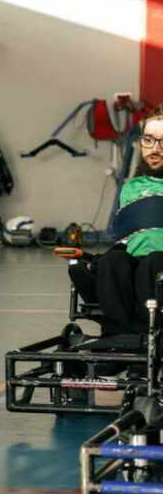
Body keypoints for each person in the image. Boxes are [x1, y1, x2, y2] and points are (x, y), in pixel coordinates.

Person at [71, 105, 163, 337]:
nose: (155, 148)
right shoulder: (131, 188)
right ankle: (116, 340)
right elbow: (130, 236)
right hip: (139, 259)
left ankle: (147, 338)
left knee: (153, 263)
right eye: (149, 140)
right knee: (114, 262)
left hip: (158, 262)